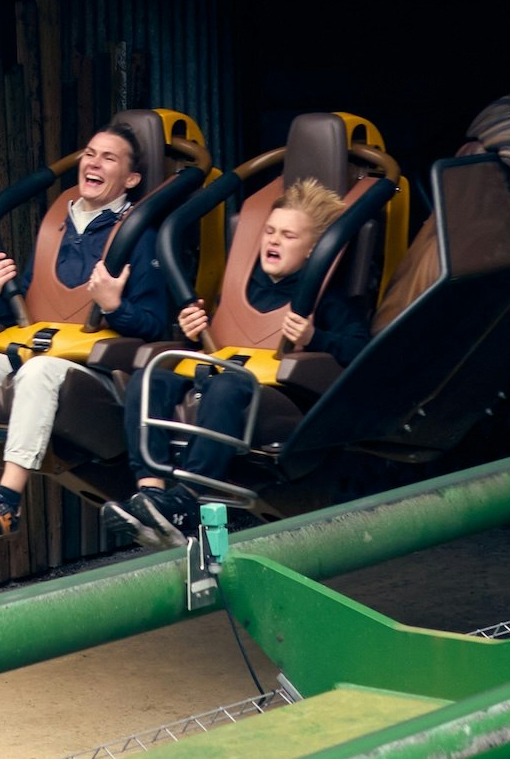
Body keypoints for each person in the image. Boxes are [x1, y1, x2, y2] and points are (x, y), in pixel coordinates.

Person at [0, 124, 169, 543]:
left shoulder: (140, 235)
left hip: (100, 372)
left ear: (131, 180)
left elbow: (155, 325)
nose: (93, 163)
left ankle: (7, 502)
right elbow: (29, 314)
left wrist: (116, 307)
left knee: (38, 372)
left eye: (108, 158)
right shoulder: (59, 222)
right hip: (42, 352)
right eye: (90, 153)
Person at [104, 178, 370, 550]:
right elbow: (216, 340)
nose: (273, 240)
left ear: (314, 251)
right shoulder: (241, 287)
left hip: (274, 397)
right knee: (149, 380)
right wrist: (192, 330)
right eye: (270, 231)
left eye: (288, 236)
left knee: (226, 384)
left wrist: (315, 339)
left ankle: (189, 497)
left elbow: (363, 350)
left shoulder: (328, 299)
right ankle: (152, 494)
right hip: (218, 378)